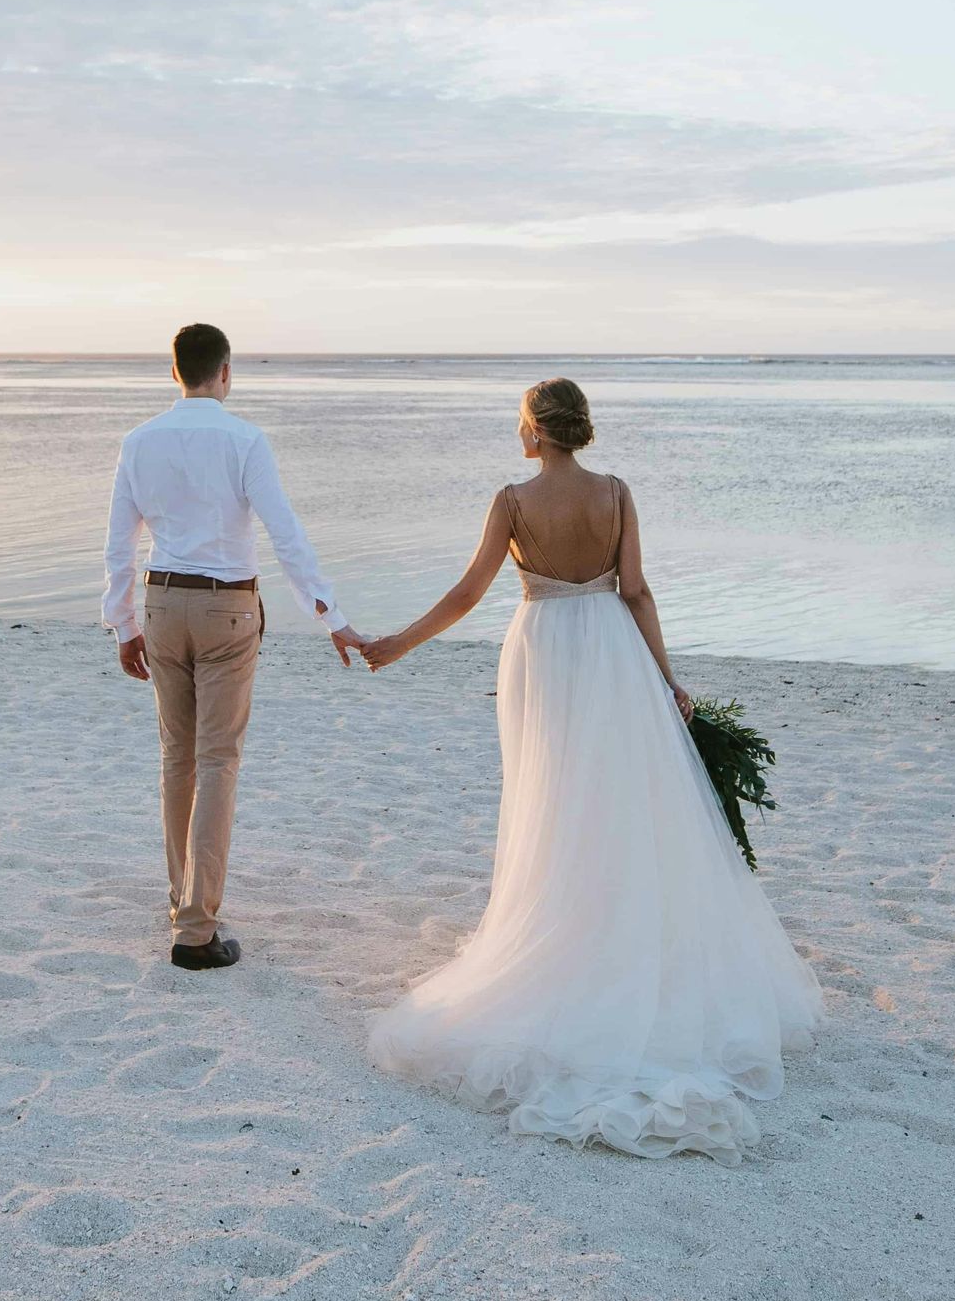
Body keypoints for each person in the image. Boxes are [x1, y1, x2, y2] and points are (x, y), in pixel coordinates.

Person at [334, 376, 818, 1155]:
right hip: (615, 655)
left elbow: (467, 593)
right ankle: (614, 932)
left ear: (533, 430)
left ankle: (564, 932)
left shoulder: (513, 500)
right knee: (622, 799)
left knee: (554, 803)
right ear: (579, 428)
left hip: (546, 650)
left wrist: (397, 644)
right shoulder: (618, 493)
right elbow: (637, 592)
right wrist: (666, 679)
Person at [101, 322, 348, 972]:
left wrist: (123, 623)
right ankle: (196, 928)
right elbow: (285, 532)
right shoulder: (244, 439)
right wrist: (331, 613)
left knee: (177, 758)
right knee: (215, 762)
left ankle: (183, 899)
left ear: (174, 372)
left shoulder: (139, 441)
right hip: (226, 608)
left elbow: (118, 543)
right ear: (227, 371)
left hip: (162, 603)